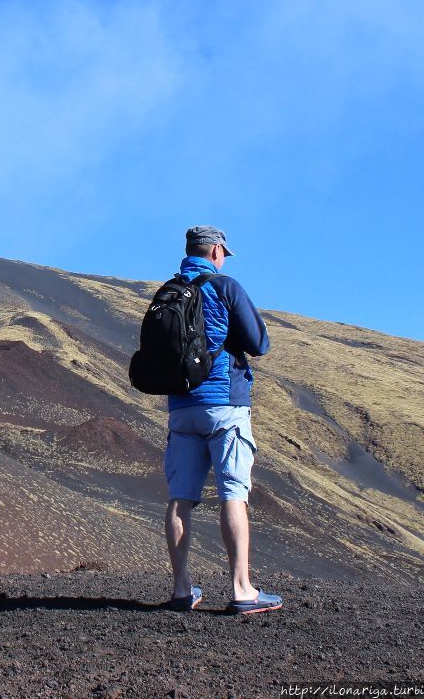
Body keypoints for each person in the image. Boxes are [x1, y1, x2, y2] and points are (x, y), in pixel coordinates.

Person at [163, 225, 281, 614]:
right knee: (233, 493)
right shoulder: (224, 287)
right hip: (224, 404)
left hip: (181, 407)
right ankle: (242, 589)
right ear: (216, 250)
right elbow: (259, 343)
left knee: (180, 498)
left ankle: (182, 590)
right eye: (223, 252)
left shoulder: (169, 291)